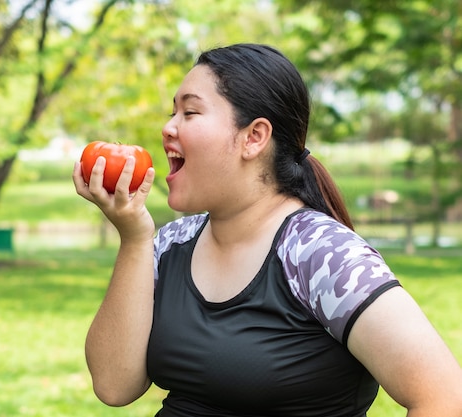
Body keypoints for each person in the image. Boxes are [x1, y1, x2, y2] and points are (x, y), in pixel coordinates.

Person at [72, 43, 462, 416]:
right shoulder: (171, 243)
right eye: (172, 112)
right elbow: (114, 385)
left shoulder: (322, 254)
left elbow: (445, 398)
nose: (168, 128)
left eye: (189, 114)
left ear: (254, 137)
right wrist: (135, 238)